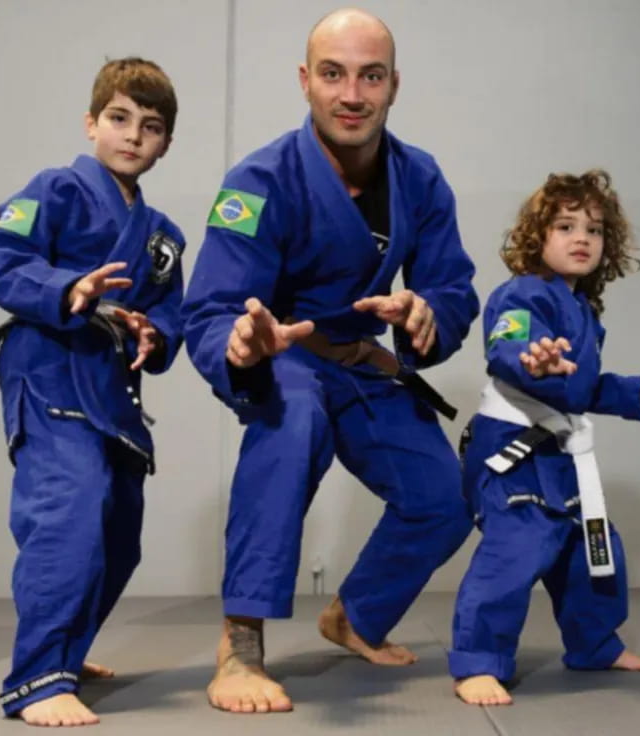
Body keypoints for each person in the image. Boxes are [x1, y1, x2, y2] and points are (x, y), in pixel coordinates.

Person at [182, 8, 479, 714]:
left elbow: (452, 286)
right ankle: (240, 645)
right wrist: (240, 345)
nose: (352, 94)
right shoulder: (259, 178)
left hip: (362, 361)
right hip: (283, 355)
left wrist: (427, 313)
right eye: (334, 74)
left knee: (446, 498)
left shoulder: (421, 178)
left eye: (370, 76)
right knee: (293, 426)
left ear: (394, 86)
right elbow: (211, 307)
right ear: (305, 81)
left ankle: (355, 616)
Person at [0, 57, 184, 726]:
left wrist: (155, 334)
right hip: (50, 369)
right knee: (69, 514)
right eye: (119, 119)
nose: (132, 136)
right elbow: (5, 261)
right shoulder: (55, 189)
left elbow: (172, 313)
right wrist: (69, 289)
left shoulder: (163, 236)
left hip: (112, 390)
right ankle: (36, 678)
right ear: (92, 123)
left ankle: (64, 648)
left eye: (150, 127)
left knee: (120, 531)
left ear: (165, 143)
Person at [449, 170, 640, 706]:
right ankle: (478, 662)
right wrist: (533, 360)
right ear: (538, 237)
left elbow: (586, 387)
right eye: (566, 226)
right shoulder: (520, 295)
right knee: (517, 547)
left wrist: (639, 390)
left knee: (592, 550)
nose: (582, 238)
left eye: (595, 231)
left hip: (559, 455)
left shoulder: (582, 311)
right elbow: (508, 348)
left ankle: (593, 643)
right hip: (510, 449)